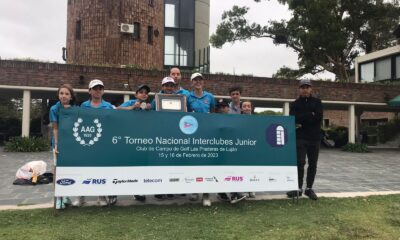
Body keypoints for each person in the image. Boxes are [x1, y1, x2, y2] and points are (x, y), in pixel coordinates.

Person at [74, 79, 117, 207]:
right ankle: (81, 197)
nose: (98, 91)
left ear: (103, 91)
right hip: (88, 141)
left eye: (100, 88)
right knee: (84, 169)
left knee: (101, 170)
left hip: (103, 143)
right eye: (95, 88)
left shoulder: (108, 106)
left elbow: (114, 121)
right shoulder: (83, 106)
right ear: (89, 91)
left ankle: (101, 196)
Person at [286, 79, 323, 200]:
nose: (305, 89)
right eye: (303, 87)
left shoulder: (317, 102)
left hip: (314, 138)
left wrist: (303, 119)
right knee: (300, 163)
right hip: (300, 138)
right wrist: (309, 115)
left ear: (311, 89)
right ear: (299, 89)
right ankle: (298, 188)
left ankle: (309, 188)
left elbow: (318, 117)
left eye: (307, 87)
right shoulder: (295, 104)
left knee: (313, 164)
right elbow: (293, 119)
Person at [117, 84, 151, 202]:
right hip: (129, 140)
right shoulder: (130, 102)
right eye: (141, 92)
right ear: (136, 94)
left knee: (142, 167)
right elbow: (117, 110)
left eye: (145, 92)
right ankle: (118, 191)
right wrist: (132, 108)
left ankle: (139, 191)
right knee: (128, 167)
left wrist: (149, 111)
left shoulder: (148, 106)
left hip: (143, 141)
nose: (143, 94)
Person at [187, 72, 215, 206]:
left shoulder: (210, 96)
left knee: (207, 165)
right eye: (195, 80)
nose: (198, 82)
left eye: (200, 80)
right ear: (191, 83)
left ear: (203, 82)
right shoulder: (188, 97)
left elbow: (214, 114)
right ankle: (194, 190)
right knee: (194, 164)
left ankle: (206, 195)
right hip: (192, 135)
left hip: (207, 135)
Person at [49, 84, 77, 209]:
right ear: (58, 95)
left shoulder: (75, 109)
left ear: (71, 96)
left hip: (71, 143)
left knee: (69, 170)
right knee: (57, 170)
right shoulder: (54, 109)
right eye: (61, 93)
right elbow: (55, 128)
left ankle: (66, 196)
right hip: (59, 143)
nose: (64, 96)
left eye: (67, 93)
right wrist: (57, 144)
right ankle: (58, 198)